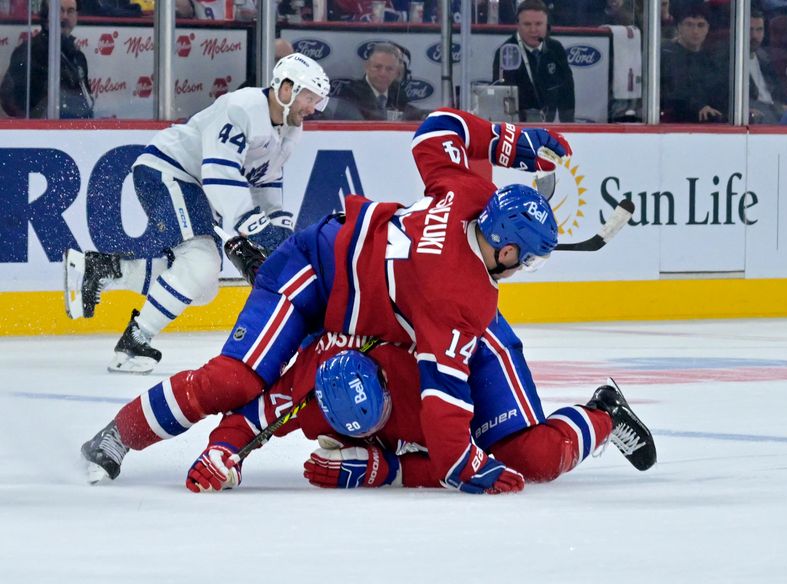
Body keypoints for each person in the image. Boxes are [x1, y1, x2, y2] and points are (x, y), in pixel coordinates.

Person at [79, 107, 573, 495]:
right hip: (311, 273)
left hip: (346, 291)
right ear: (507, 250)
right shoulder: (463, 297)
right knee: (235, 379)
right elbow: (442, 408)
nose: (521, 268)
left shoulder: (469, 191)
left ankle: (126, 435)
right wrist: (465, 469)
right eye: (525, 259)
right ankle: (119, 433)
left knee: (301, 385)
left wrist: (512, 142)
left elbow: (436, 129)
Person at [63, 54, 330, 374]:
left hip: (195, 185)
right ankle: (133, 342)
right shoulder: (242, 108)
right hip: (167, 170)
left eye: (317, 101)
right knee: (202, 262)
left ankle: (103, 269)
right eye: (309, 97)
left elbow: (267, 181)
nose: (313, 108)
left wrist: (280, 232)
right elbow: (219, 173)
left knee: (203, 286)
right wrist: (256, 228)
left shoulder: (288, 130)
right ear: (286, 88)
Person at [181, 332, 656, 493]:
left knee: (532, 459)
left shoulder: (429, 383)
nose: (380, 432)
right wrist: (221, 453)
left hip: (473, 349)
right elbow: (250, 416)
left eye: (382, 418)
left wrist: (388, 471)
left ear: (385, 383)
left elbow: (464, 462)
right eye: (368, 433)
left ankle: (604, 414)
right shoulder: (308, 389)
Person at [0, 0, 94, 119]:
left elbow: (85, 101)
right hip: (40, 133)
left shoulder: (78, 57)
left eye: (70, 11)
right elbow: (10, 101)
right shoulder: (28, 52)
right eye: (59, 10)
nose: (65, 17)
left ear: (76, 17)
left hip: (75, 133)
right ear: (46, 16)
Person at [492, 0, 576, 122]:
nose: (533, 30)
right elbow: (501, 96)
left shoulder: (556, 49)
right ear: (518, 25)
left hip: (549, 124)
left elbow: (567, 91)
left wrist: (568, 124)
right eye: (527, 24)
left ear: (547, 25)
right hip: (518, 126)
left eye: (538, 24)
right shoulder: (507, 52)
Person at [660, 2, 727, 122]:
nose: (695, 31)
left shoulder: (712, 59)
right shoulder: (666, 53)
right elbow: (673, 93)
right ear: (679, 27)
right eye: (689, 24)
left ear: (708, 28)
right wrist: (699, 107)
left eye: (700, 25)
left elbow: (721, 92)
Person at [337, 43, 424, 121]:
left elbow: (410, 115)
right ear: (367, 67)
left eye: (389, 69)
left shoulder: (398, 93)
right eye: (377, 67)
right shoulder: (351, 92)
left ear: (397, 73)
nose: (383, 73)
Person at [748, 8, 786, 124]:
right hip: (757, 113)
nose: (754, 35)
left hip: (774, 109)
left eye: (759, 30)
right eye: (749, 30)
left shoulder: (765, 58)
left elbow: (779, 91)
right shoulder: (729, 61)